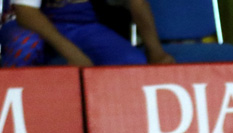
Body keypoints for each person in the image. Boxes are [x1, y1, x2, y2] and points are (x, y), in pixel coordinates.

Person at [0, 0, 174, 67]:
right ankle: (9, 104)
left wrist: (156, 52)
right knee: (25, 43)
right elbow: (26, 14)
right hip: (26, 25)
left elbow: (137, 2)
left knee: (131, 63)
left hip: (82, 26)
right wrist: (74, 54)